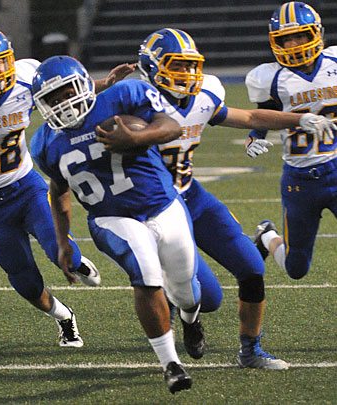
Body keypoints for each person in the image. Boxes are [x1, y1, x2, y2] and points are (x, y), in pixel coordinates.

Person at [96, 28, 335, 369]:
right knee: (208, 299)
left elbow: (249, 117)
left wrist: (301, 119)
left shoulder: (203, 95)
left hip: (191, 195)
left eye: (190, 66)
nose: (186, 74)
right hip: (154, 206)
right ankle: (181, 305)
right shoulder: (127, 103)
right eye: (176, 66)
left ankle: (250, 351)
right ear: (153, 66)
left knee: (252, 268)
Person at [0, 26, 135, 347]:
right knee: (22, 277)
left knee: (59, 250)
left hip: (27, 186)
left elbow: (60, 90)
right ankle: (64, 317)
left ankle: (76, 260)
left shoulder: (25, 77)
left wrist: (104, 83)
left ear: (9, 58)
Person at [30, 55, 210, 394]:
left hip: (162, 204)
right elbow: (58, 190)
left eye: (67, 91)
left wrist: (137, 139)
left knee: (186, 289)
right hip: (110, 217)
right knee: (146, 276)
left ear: (83, 84)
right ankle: (170, 363)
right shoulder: (44, 143)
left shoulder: (124, 96)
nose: (62, 104)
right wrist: (63, 241)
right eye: (52, 99)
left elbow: (171, 126)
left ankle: (190, 318)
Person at [245, 2, 337, 280]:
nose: (294, 43)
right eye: (286, 38)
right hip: (300, 181)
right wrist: (253, 138)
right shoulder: (270, 77)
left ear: (316, 34)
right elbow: (261, 116)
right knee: (296, 268)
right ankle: (267, 236)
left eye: (300, 35)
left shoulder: (334, 62)